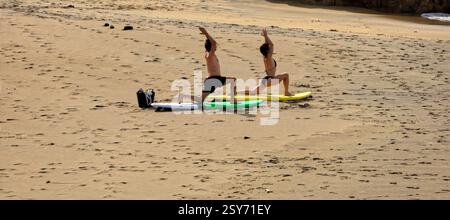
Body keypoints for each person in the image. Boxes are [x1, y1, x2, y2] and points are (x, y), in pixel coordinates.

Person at [249, 28, 293, 96]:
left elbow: (267, 44)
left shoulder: (265, 56)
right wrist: (266, 36)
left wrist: (265, 37)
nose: (270, 48)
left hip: (264, 78)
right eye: (269, 48)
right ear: (267, 51)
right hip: (269, 79)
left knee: (253, 91)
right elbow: (272, 44)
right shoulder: (269, 57)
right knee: (286, 75)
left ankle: (236, 91)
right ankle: (286, 92)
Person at [199, 27, 237, 103]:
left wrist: (206, 36)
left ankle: (182, 97)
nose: (216, 46)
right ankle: (233, 100)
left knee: (201, 100)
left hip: (210, 80)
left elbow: (212, 43)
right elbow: (213, 43)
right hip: (215, 79)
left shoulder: (207, 54)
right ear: (211, 47)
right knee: (233, 80)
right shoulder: (210, 55)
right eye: (214, 46)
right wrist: (206, 33)